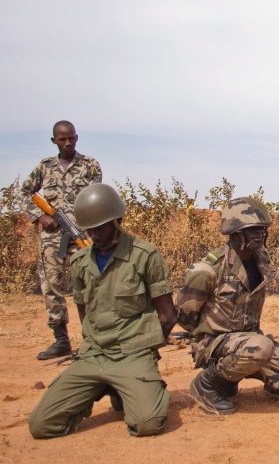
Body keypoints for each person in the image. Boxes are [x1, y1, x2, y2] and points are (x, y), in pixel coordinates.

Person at [29, 184, 176, 438]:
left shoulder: (145, 255)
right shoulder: (80, 262)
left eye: (100, 227)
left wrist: (146, 349)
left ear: (117, 220)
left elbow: (168, 314)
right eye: (89, 228)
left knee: (148, 423)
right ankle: (102, 386)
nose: (94, 234)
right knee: (41, 425)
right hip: (94, 354)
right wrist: (90, 347)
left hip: (133, 353)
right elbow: (84, 312)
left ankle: (132, 387)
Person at [176, 197, 279, 415]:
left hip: (252, 342)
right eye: (252, 230)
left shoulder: (260, 258)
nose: (259, 235)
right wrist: (215, 340)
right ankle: (207, 383)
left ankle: (232, 378)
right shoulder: (207, 270)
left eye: (262, 229)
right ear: (235, 233)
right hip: (214, 344)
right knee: (260, 346)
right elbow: (185, 318)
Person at [21, 120, 102, 360]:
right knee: (51, 284)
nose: (67, 142)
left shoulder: (90, 165)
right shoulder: (45, 167)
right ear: (54, 140)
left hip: (82, 235)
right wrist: (41, 216)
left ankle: (92, 339)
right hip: (52, 238)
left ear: (77, 138)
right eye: (62, 139)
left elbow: (95, 198)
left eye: (71, 138)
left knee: (87, 286)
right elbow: (25, 191)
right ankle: (61, 339)